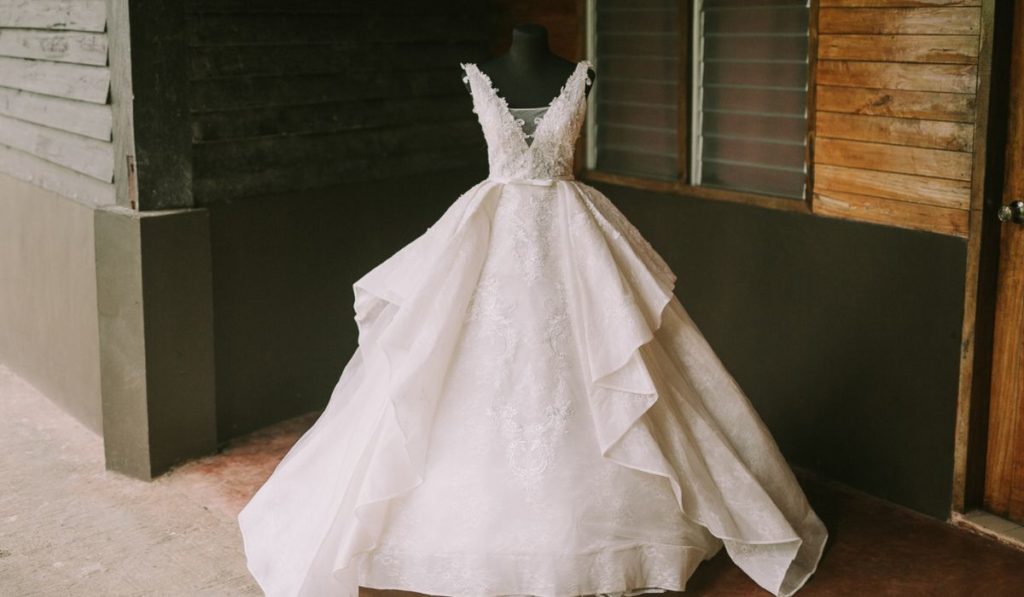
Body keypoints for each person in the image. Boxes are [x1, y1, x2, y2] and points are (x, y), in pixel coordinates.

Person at [238, 23, 827, 597]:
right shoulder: (478, 75)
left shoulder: (579, 75)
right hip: (490, 230)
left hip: (572, 236)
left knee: (601, 360)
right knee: (465, 367)